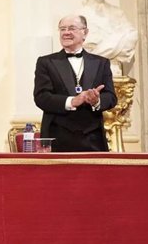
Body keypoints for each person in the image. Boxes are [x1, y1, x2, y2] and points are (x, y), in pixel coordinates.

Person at [34, 14, 118, 152]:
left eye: (71, 28)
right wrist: (72, 101)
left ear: (85, 32)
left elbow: (111, 97)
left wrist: (96, 100)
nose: (66, 32)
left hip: (93, 139)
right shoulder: (46, 62)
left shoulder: (101, 63)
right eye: (62, 29)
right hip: (57, 138)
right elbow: (41, 97)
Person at [77, 0, 138, 76]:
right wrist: (117, 42)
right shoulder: (80, 14)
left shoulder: (116, 12)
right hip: (90, 68)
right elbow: (83, 44)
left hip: (113, 68)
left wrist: (100, 49)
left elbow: (131, 36)